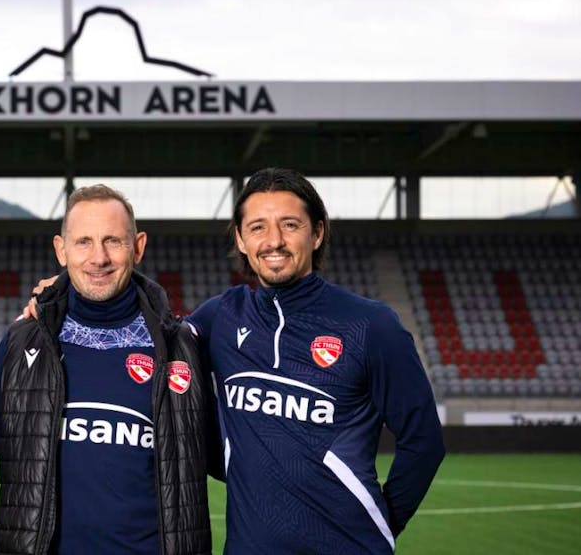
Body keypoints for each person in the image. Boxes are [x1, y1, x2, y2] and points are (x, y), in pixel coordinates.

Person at [187, 167, 445, 553]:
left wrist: (382, 523)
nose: (273, 240)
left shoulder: (370, 325)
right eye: (257, 227)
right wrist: (65, 291)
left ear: (317, 232)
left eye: (290, 224)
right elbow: (149, 342)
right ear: (240, 239)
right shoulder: (220, 317)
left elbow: (424, 441)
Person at [0, 185, 217, 555]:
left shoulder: (183, 348)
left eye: (113, 241)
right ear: (61, 250)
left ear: (138, 246)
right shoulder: (22, 343)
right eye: (83, 242)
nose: (99, 258)